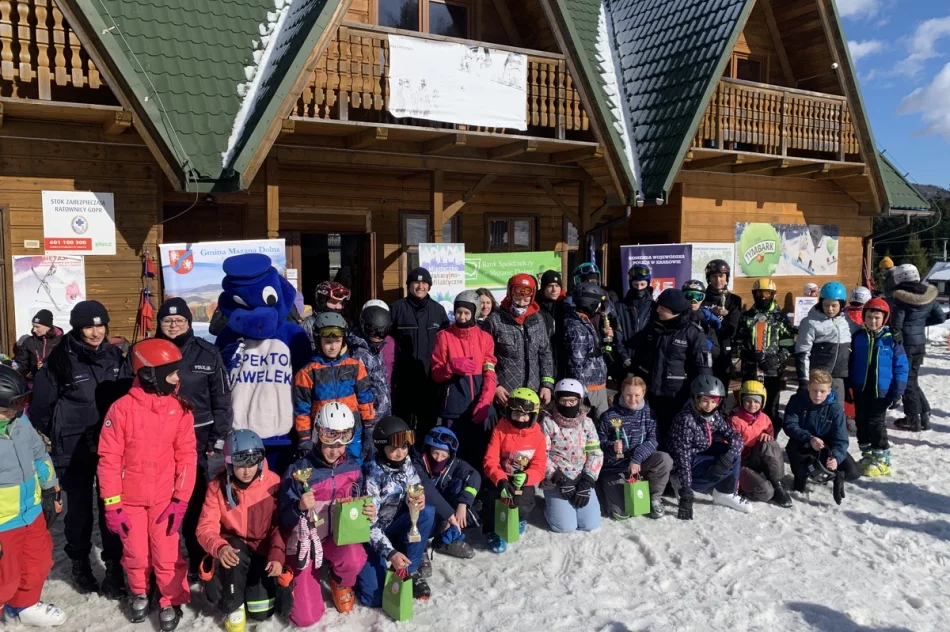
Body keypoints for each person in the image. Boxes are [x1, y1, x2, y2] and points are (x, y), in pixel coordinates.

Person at [29, 300, 130, 598]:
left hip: (110, 444)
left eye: (100, 325)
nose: (95, 332)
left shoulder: (115, 356)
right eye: (89, 326)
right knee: (80, 510)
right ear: (77, 327)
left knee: (111, 504)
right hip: (72, 446)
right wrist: (56, 434)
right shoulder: (60, 360)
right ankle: (80, 563)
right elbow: (41, 408)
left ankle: (113, 567)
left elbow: (126, 396)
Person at [97, 338, 197, 631]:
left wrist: (180, 500)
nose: (178, 378)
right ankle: (139, 589)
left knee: (167, 552)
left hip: (166, 498)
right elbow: (109, 460)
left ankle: (169, 597)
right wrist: (112, 504)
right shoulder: (121, 410)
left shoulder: (180, 409)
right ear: (149, 374)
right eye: (171, 373)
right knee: (136, 551)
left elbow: (187, 457)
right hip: (130, 500)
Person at [154, 297, 233, 578]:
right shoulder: (148, 352)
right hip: (159, 441)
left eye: (179, 320)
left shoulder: (207, 353)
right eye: (167, 320)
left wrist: (218, 439)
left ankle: (200, 560)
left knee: (197, 502)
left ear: (188, 322)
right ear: (159, 324)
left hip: (200, 440)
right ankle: (166, 563)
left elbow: (222, 400)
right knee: (164, 503)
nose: (173, 325)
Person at [280, 404, 374, 625]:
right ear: (317, 435)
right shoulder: (298, 470)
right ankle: (298, 582)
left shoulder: (352, 468)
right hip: (305, 546)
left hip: (335, 539)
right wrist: (299, 507)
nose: (335, 449)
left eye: (342, 443)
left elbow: (359, 501)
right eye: (329, 441)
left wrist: (367, 511)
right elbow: (282, 519)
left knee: (355, 556)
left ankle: (338, 579)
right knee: (305, 618)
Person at [356, 416, 456, 605]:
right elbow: (369, 525)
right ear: (381, 447)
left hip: (393, 525)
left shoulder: (407, 463)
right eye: (393, 448)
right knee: (374, 598)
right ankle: (345, 577)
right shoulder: (372, 474)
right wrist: (390, 553)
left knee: (426, 511)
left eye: (404, 446)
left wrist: (417, 499)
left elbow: (415, 486)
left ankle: (410, 569)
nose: (400, 452)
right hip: (372, 535)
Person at [196, 430, 285, 632]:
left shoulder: (273, 483)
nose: (247, 470)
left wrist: (277, 554)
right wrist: (219, 547)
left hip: (260, 550)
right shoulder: (217, 487)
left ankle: (246, 589)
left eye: (252, 462)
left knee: (261, 611)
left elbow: (279, 526)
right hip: (234, 548)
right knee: (233, 551)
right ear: (229, 463)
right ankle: (233, 606)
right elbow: (205, 527)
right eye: (240, 463)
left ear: (260, 460)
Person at [0, 365, 68, 627]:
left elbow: (39, 455)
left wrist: (51, 489)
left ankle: (25, 605)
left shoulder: (21, 421)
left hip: (31, 512)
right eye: (9, 406)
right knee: (5, 576)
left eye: (21, 404)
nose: (16, 411)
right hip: (4, 521)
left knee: (37, 563)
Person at [630, 288, 712, 444]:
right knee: (651, 435)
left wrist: (699, 395)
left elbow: (702, 367)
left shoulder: (693, 332)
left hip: (677, 397)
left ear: (675, 311)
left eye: (663, 308)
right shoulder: (652, 328)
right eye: (658, 306)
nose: (658, 310)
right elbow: (637, 355)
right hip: (650, 393)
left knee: (674, 437)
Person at [293, 311, 375, 462]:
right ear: (318, 341)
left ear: (343, 341)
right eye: (327, 342)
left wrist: (369, 429)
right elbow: (301, 409)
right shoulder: (307, 373)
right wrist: (304, 438)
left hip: (352, 432)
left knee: (354, 470)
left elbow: (366, 400)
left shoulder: (355, 367)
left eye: (337, 341)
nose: (332, 347)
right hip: (324, 434)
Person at [430, 291, 497, 470]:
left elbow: (490, 374)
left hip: (477, 408)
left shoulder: (485, 339)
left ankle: (477, 492)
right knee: (453, 453)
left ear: (474, 313)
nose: (462, 316)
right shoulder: (444, 336)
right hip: (453, 407)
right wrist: (451, 367)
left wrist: (485, 402)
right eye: (459, 312)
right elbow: (436, 373)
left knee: (479, 453)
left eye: (467, 313)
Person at [668, 376, 751, 520]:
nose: (709, 405)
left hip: (701, 454)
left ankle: (725, 493)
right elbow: (683, 458)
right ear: (696, 398)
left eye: (714, 401)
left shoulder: (713, 416)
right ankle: (682, 483)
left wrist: (728, 458)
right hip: (683, 465)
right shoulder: (686, 421)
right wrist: (686, 492)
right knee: (726, 465)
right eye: (705, 400)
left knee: (732, 454)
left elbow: (734, 436)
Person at [482, 388, 547, 553]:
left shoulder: (538, 436)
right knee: (491, 498)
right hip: (501, 477)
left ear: (533, 416)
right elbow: (490, 459)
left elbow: (539, 466)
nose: (520, 418)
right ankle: (492, 531)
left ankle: (520, 518)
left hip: (522, 480)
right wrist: (500, 479)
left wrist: (526, 477)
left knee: (523, 502)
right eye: (516, 414)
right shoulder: (500, 430)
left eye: (525, 415)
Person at [597, 376, 672, 519]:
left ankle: (654, 497)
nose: (632, 399)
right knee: (621, 512)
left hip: (638, 464)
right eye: (629, 395)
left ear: (643, 394)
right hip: (615, 467)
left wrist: (637, 458)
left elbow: (653, 439)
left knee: (664, 459)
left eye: (637, 395)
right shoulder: (609, 416)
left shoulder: (649, 414)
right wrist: (611, 446)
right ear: (622, 393)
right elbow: (599, 441)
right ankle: (604, 487)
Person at [849, 299, 908, 476]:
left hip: (881, 391)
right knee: (861, 422)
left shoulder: (892, 339)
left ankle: (882, 458)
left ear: (884, 318)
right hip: (860, 388)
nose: (873, 321)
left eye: (877, 317)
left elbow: (901, 366)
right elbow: (851, 363)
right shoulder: (858, 337)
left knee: (876, 424)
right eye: (869, 317)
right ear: (863, 317)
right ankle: (867, 455)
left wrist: (898, 391)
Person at [783, 369, 860, 503]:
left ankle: (837, 476)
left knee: (852, 471)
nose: (818, 395)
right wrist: (809, 438)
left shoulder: (835, 408)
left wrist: (835, 457)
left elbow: (841, 438)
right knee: (800, 469)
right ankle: (801, 476)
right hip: (803, 441)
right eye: (814, 390)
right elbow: (790, 424)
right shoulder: (797, 400)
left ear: (829, 390)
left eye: (822, 391)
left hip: (825, 444)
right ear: (808, 387)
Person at [390, 268, 449, 438]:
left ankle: (424, 458)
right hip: (404, 379)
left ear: (429, 286)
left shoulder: (438, 310)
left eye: (424, 283)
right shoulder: (396, 308)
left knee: (427, 423)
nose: (420, 286)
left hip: (429, 379)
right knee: (403, 424)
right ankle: (404, 456)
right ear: (409, 285)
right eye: (416, 282)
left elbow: (446, 344)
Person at [539, 379, 603, 533]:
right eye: (564, 400)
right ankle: (549, 508)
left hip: (581, 479)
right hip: (557, 480)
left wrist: (587, 481)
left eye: (572, 400)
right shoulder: (548, 423)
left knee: (590, 524)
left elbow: (595, 452)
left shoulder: (587, 423)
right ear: (557, 400)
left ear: (579, 400)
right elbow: (542, 454)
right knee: (565, 527)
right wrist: (558, 477)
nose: (568, 405)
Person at [483, 274, 555, 410]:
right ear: (509, 294)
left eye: (526, 299)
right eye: (517, 298)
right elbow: (485, 358)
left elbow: (545, 353)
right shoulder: (494, 321)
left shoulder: (538, 320)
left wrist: (547, 384)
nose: (521, 303)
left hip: (533, 391)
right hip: (506, 393)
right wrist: (495, 386)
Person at [889, 264, 947, 431]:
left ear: (900, 278)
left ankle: (913, 418)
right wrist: (920, 325)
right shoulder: (928, 294)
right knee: (912, 379)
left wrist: (897, 334)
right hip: (920, 343)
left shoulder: (901, 297)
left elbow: (897, 324)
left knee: (906, 381)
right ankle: (925, 414)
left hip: (906, 344)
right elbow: (941, 317)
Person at [734, 278, 796, 428]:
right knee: (748, 405)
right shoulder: (746, 317)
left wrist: (776, 359)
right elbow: (737, 344)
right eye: (760, 293)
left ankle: (769, 439)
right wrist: (747, 354)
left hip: (772, 371)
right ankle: (748, 436)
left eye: (767, 294)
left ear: (773, 295)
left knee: (771, 407)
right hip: (750, 369)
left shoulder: (780, 318)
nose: (763, 297)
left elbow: (788, 345)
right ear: (754, 294)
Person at [412, 427, 479, 559]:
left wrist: (463, 504)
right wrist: (450, 515)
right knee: (423, 508)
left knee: (463, 495)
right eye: (435, 453)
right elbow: (427, 489)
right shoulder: (416, 464)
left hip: (441, 513)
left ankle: (445, 539)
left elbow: (474, 476)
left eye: (444, 455)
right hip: (417, 513)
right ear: (428, 449)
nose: (438, 459)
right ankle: (419, 548)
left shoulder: (453, 464)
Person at [727, 381, 792, 507]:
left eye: (756, 401)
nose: (752, 405)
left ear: (762, 402)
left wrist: (766, 437)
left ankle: (777, 484)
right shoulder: (735, 420)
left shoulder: (765, 419)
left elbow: (770, 451)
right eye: (748, 400)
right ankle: (748, 487)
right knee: (766, 493)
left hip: (755, 460)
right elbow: (728, 449)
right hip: (738, 464)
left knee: (770, 443)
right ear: (741, 400)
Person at [795, 281, 856, 406]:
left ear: (842, 304)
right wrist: (803, 380)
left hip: (838, 376)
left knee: (837, 409)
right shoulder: (811, 322)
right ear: (821, 303)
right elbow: (802, 352)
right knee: (817, 410)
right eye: (826, 305)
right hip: (819, 377)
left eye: (834, 305)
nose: (830, 309)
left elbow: (863, 330)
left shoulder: (846, 321)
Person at [563, 282, 612, 419]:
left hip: (597, 383)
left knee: (603, 422)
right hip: (589, 388)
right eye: (597, 304)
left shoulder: (584, 322)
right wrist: (581, 391)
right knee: (593, 423)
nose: (598, 309)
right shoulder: (576, 327)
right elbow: (576, 360)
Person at [347, 300, 396, 422]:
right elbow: (358, 390)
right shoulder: (359, 354)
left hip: (382, 413)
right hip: (368, 418)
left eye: (383, 332)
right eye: (373, 331)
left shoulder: (374, 349)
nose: (378, 337)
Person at [701, 259, 743, 391]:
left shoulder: (734, 300)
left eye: (721, 276)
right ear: (709, 278)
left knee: (721, 386)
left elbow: (732, 328)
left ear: (727, 277)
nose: (718, 280)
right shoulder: (701, 297)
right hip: (704, 346)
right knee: (702, 384)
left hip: (723, 348)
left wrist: (718, 321)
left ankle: (721, 411)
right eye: (714, 276)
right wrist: (709, 313)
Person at [14, 310, 63, 383]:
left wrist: (47, 366)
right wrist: (15, 367)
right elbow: (21, 362)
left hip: (57, 383)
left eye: (37, 327)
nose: (34, 330)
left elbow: (69, 363)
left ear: (48, 326)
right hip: (35, 383)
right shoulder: (29, 342)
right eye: (33, 326)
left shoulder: (62, 341)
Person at [301, 281, 351, 351]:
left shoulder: (344, 323)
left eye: (340, 303)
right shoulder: (309, 324)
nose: (337, 307)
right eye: (333, 302)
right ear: (322, 302)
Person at [536, 270, 567, 378]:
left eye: (557, 286)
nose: (554, 290)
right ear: (543, 288)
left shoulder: (567, 307)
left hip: (564, 362)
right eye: (550, 286)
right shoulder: (536, 309)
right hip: (544, 362)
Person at [682, 280, 721, 361]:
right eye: (688, 296)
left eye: (698, 296)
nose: (693, 300)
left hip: (700, 365)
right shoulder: (676, 317)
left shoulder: (706, 320)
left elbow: (716, 353)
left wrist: (703, 342)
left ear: (703, 299)